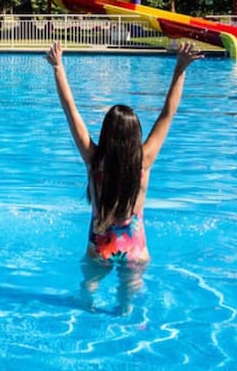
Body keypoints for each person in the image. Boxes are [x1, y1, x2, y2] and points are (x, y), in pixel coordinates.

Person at [45, 40, 201, 313]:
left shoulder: (94, 161)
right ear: (135, 136)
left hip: (100, 246)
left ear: (106, 132)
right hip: (135, 249)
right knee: (126, 306)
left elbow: (71, 112)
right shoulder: (145, 160)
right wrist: (179, 69)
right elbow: (168, 113)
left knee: (87, 293)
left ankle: (88, 304)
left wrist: (58, 68)